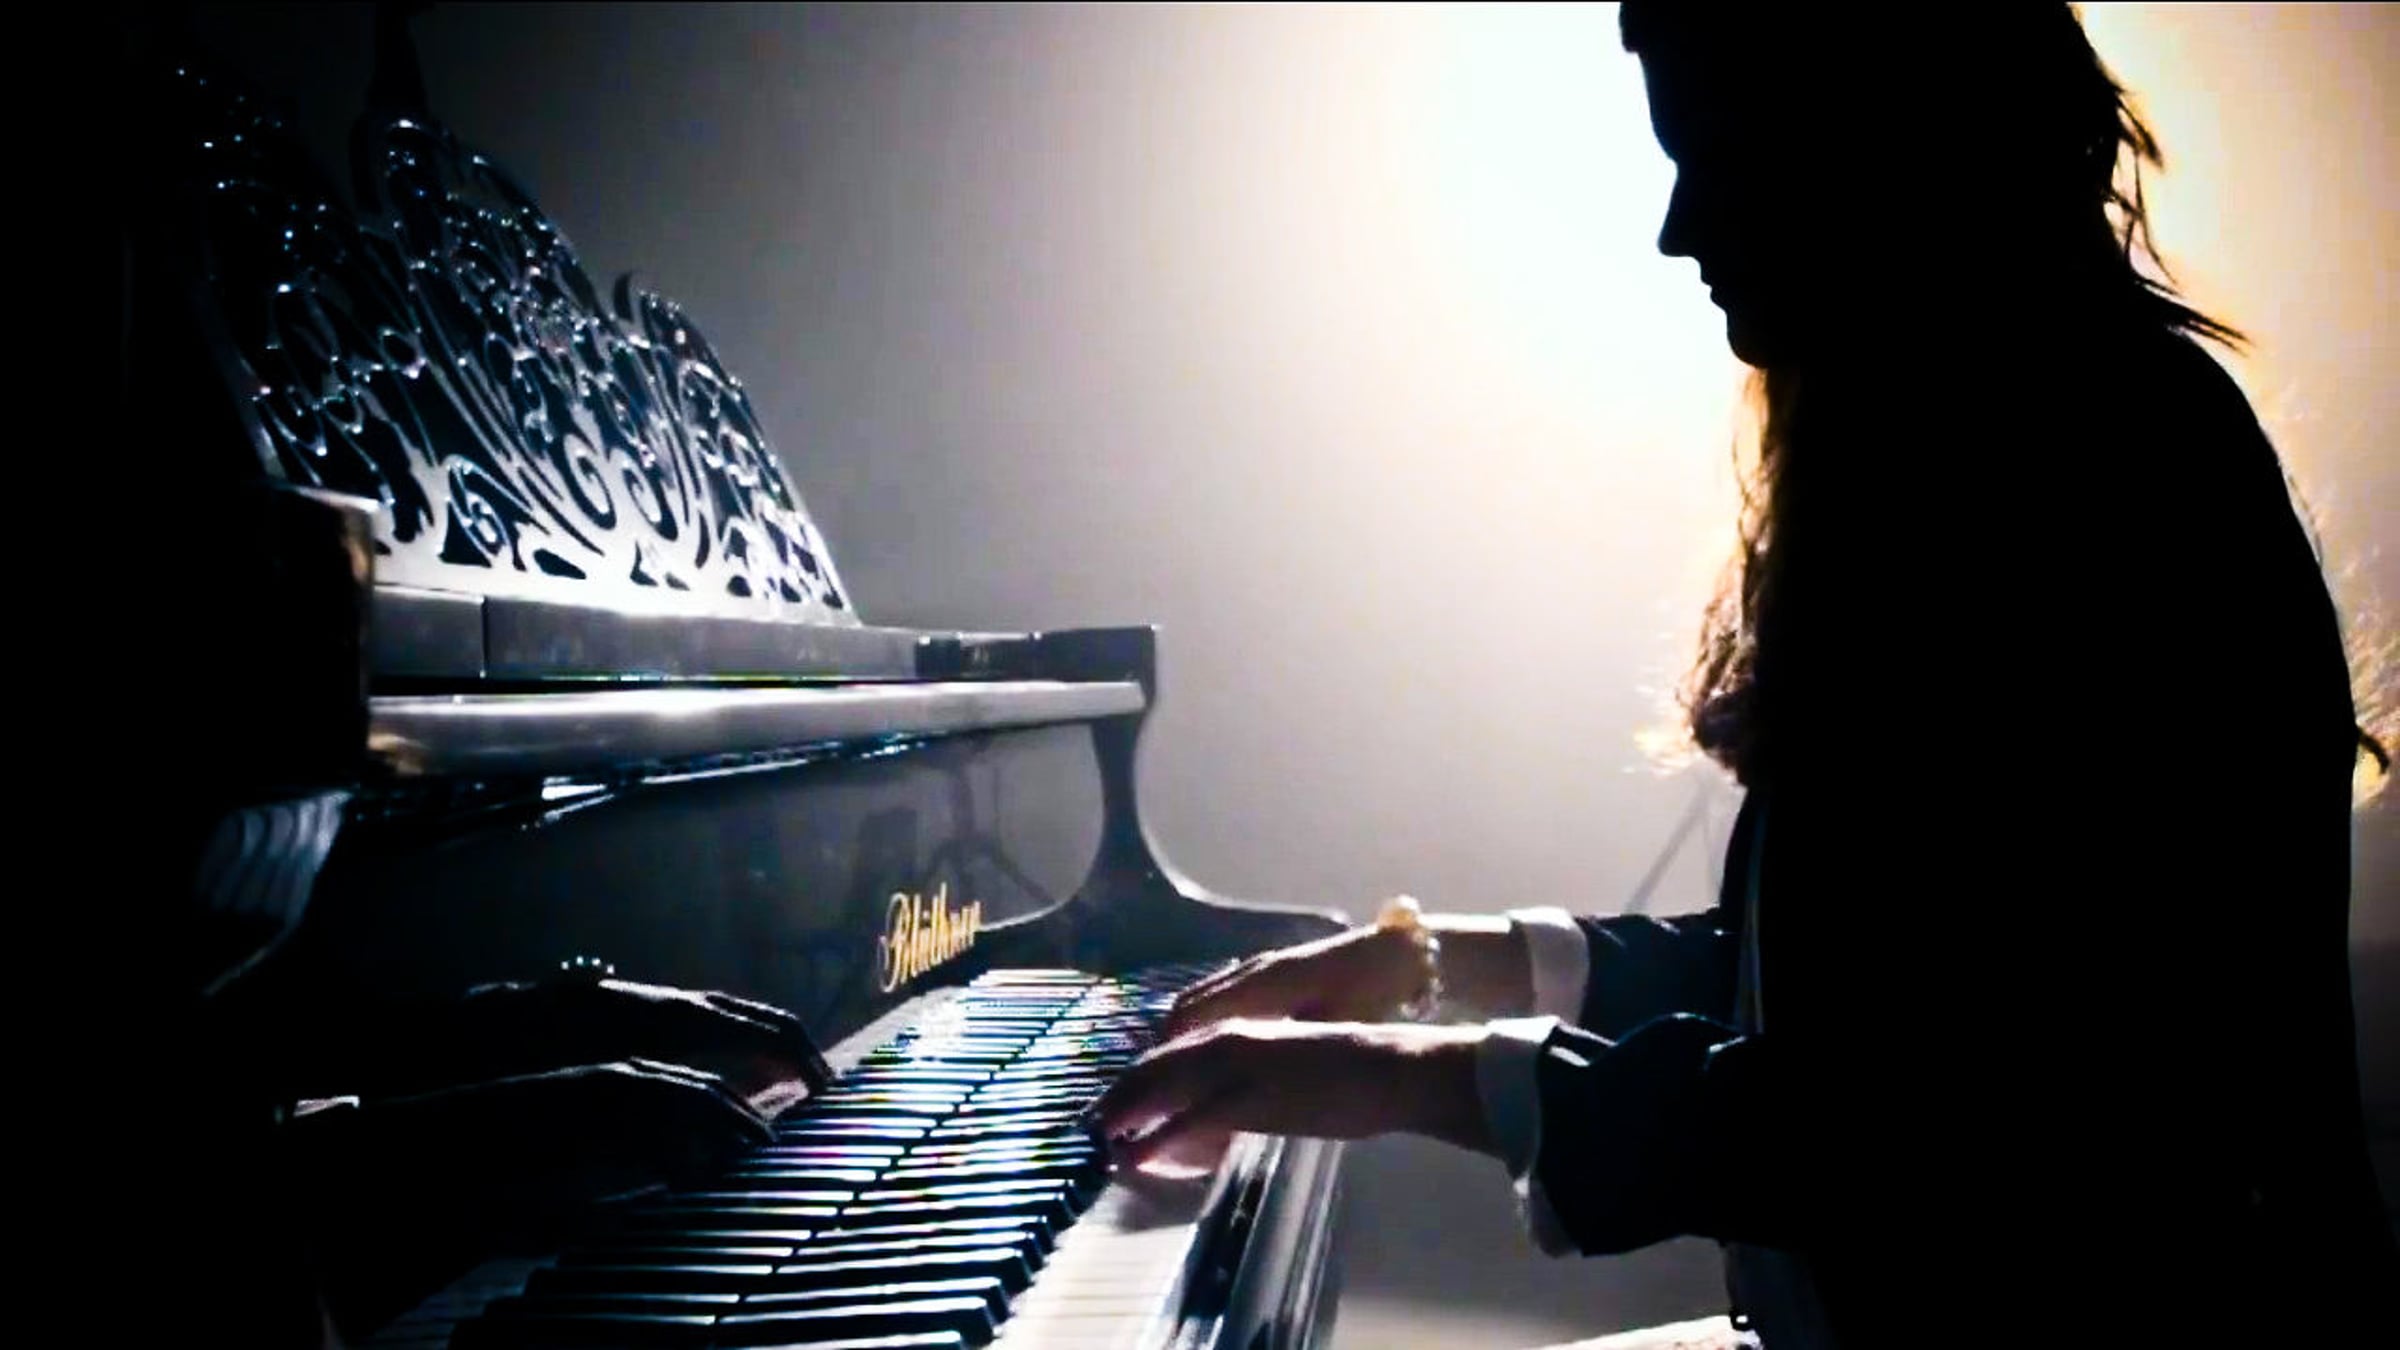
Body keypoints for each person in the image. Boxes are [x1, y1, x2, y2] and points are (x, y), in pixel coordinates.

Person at [1090, 5, 2397, 1344]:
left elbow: (1937, 1117)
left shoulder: (2109, 463)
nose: (1680, 227)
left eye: (1716, 155)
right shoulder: (1986, 436)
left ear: (1893, 143)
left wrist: (1395, 1076)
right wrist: (1426, 966)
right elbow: (1857, 985)